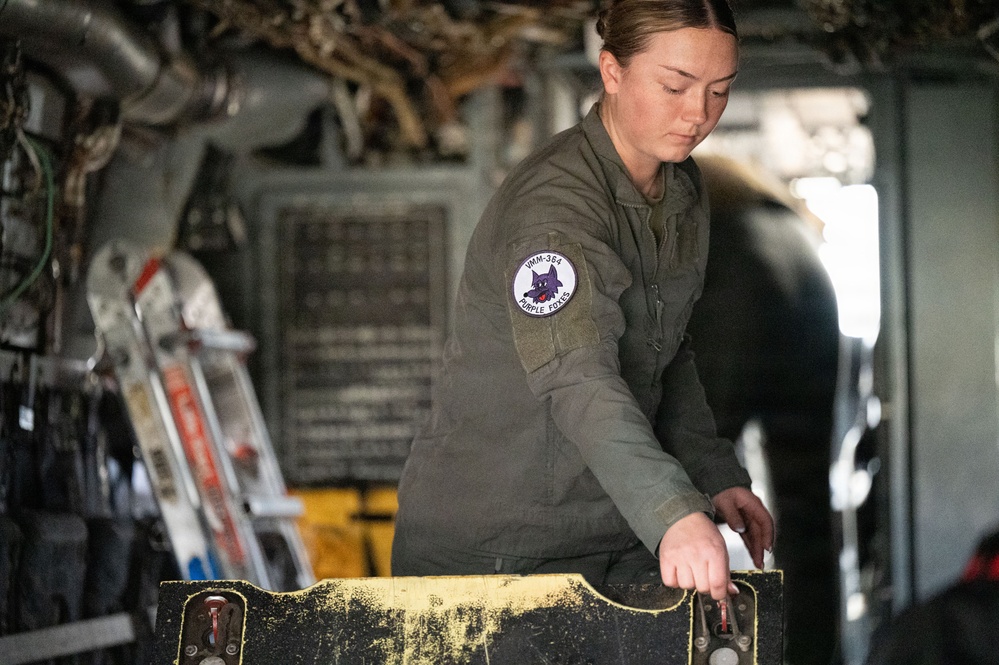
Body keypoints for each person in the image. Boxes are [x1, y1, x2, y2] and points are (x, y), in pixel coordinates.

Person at [391, 0, 774, 602]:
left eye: (719, 91)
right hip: (498, 548)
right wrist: (672, 511)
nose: (698, 113)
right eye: (675, 86)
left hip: (612, 530)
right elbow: (579, 378)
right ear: (612, 72)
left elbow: (665, 349)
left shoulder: (681, 189)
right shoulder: (556, 210)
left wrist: (711, 472)